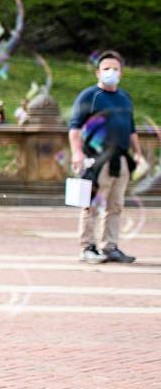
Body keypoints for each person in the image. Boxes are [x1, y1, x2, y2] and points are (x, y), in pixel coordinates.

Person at [69, 51, 145, 265]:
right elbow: (74, 128)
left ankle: (110, 246)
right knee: (91, 203)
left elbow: (130, 128)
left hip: (120, 158)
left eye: (115, 69)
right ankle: (88, 247)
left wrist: (137, 152)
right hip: (96, 157)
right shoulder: (90, 96)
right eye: (106, 69)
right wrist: (77, 152)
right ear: (97, 72)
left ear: (121, 73)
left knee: (116, 204)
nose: (111, 72)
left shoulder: (125, 97)